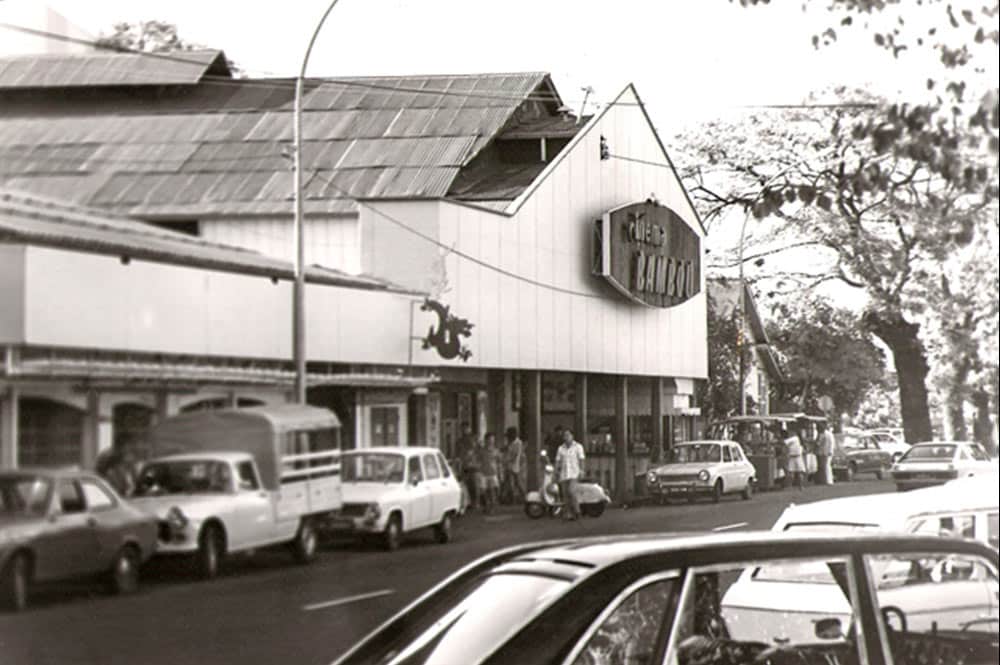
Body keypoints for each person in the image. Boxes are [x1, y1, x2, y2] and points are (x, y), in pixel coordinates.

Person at [554, 428, 586, 521]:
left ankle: (577, 511)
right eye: (565, 435)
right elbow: (558, 461)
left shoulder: (578, 447)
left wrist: (582, 470)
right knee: (565, 494)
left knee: (571, 491)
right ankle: (568, 513)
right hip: (564, 473)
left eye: (568, 435)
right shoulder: (560, 448)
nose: (566, 437)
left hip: (574, 473)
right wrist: (556, 471)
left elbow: (581, 459)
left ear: (572, 436)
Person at [478, 433, 502, 514]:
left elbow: (499, 462)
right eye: (489, 439)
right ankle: (486, 506)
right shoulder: (481, 450)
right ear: (486, 440)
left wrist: (500, 473)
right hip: (483, 473)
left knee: (492, 491)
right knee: (483, 492)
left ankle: (492, 508)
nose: (491, 441)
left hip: (493, 473)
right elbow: (477, 460)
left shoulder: (496, 450)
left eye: (492, 439)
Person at [503, 427, 525, 503]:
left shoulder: (518, 443)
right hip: (509, 465)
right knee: (510, 483)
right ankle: (512, 499)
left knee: (517, 483)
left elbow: (516, 455)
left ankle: (522, 497)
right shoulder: (510, 442)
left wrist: (508, 460)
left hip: (515, 465)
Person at [461, 438, 481, 511]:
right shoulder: (467, 452)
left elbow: (480, 462)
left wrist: (474, 464)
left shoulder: (478, 452)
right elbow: (464, 461)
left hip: (475, 471)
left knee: (476, 488)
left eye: (474, 442)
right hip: (467, 471)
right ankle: (470, 503)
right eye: (471, 443)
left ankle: (476, 503)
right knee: (468, 487)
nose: (472, 444)